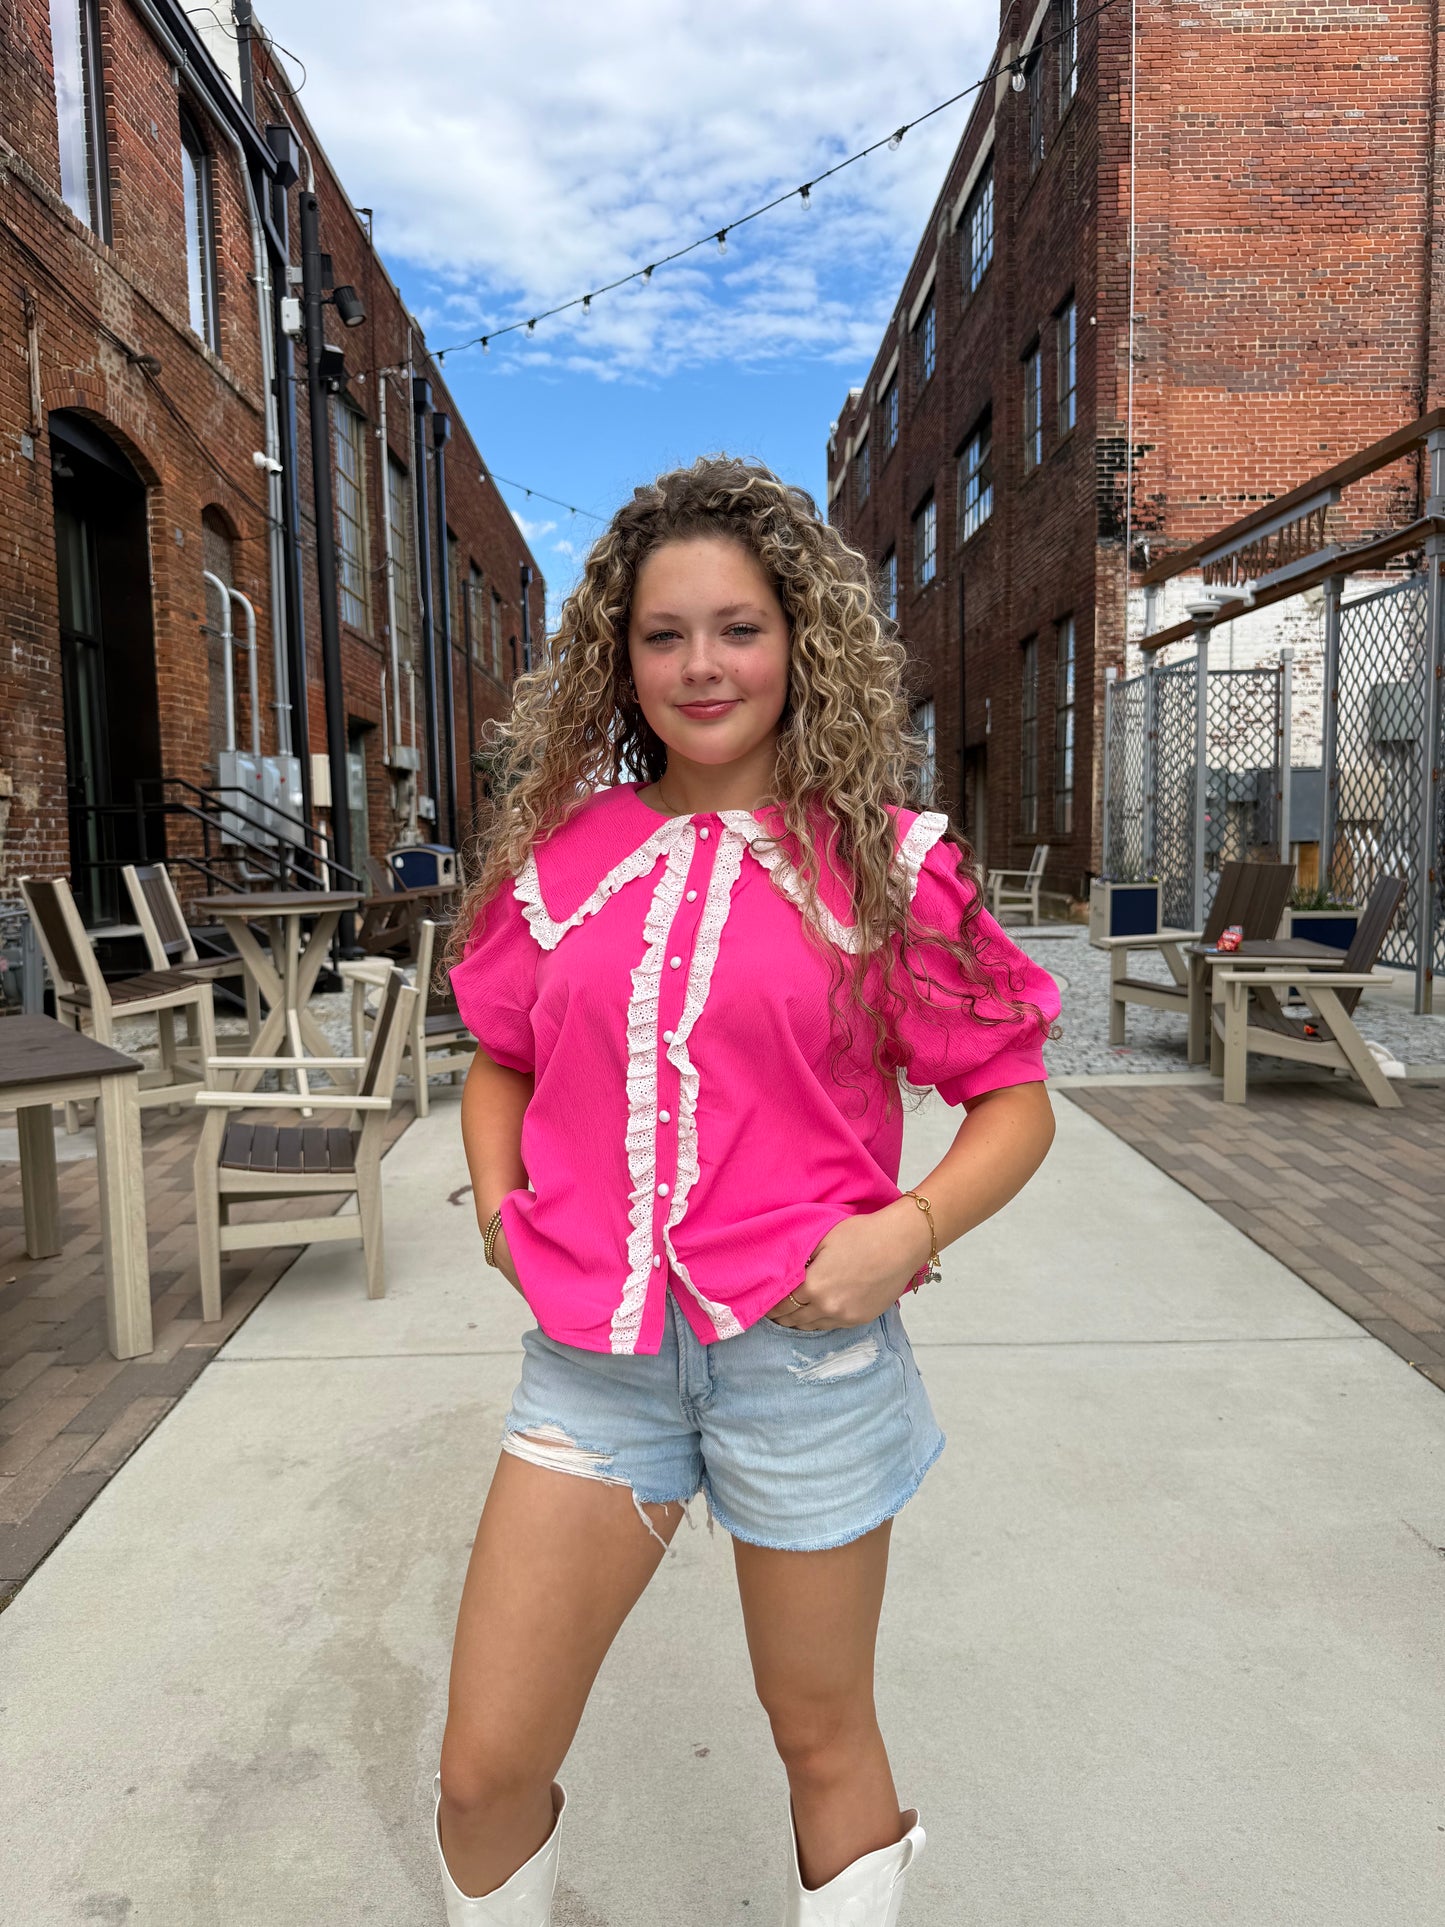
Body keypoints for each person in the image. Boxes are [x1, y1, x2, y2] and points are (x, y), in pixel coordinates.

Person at [435, 456, 1060, 1927]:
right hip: (597, 1373)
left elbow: (1011, 1100)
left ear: (798, 642)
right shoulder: (564, 859)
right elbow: (499, 1059)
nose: (701, 666)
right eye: (663, 635)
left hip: (806, 1365)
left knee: (817, 1735)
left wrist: (901, 1233)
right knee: (481, 1769)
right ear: (619, 657)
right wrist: (491, 1211)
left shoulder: (886, 869)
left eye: (737, 628)